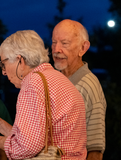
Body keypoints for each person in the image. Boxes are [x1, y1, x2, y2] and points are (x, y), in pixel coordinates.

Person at [0, 30, 87, 159]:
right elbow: (31, 139)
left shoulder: (32, 82)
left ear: (20, 61)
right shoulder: (55, 77)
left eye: (4, 64)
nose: (4, 72)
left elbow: (26, 147)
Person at [51, 19, 107, 160]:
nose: (56, 49)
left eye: (64, 43)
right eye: (53, 42)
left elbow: (95, 150)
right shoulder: (53, 79)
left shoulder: (88, 86)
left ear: (83, 48)